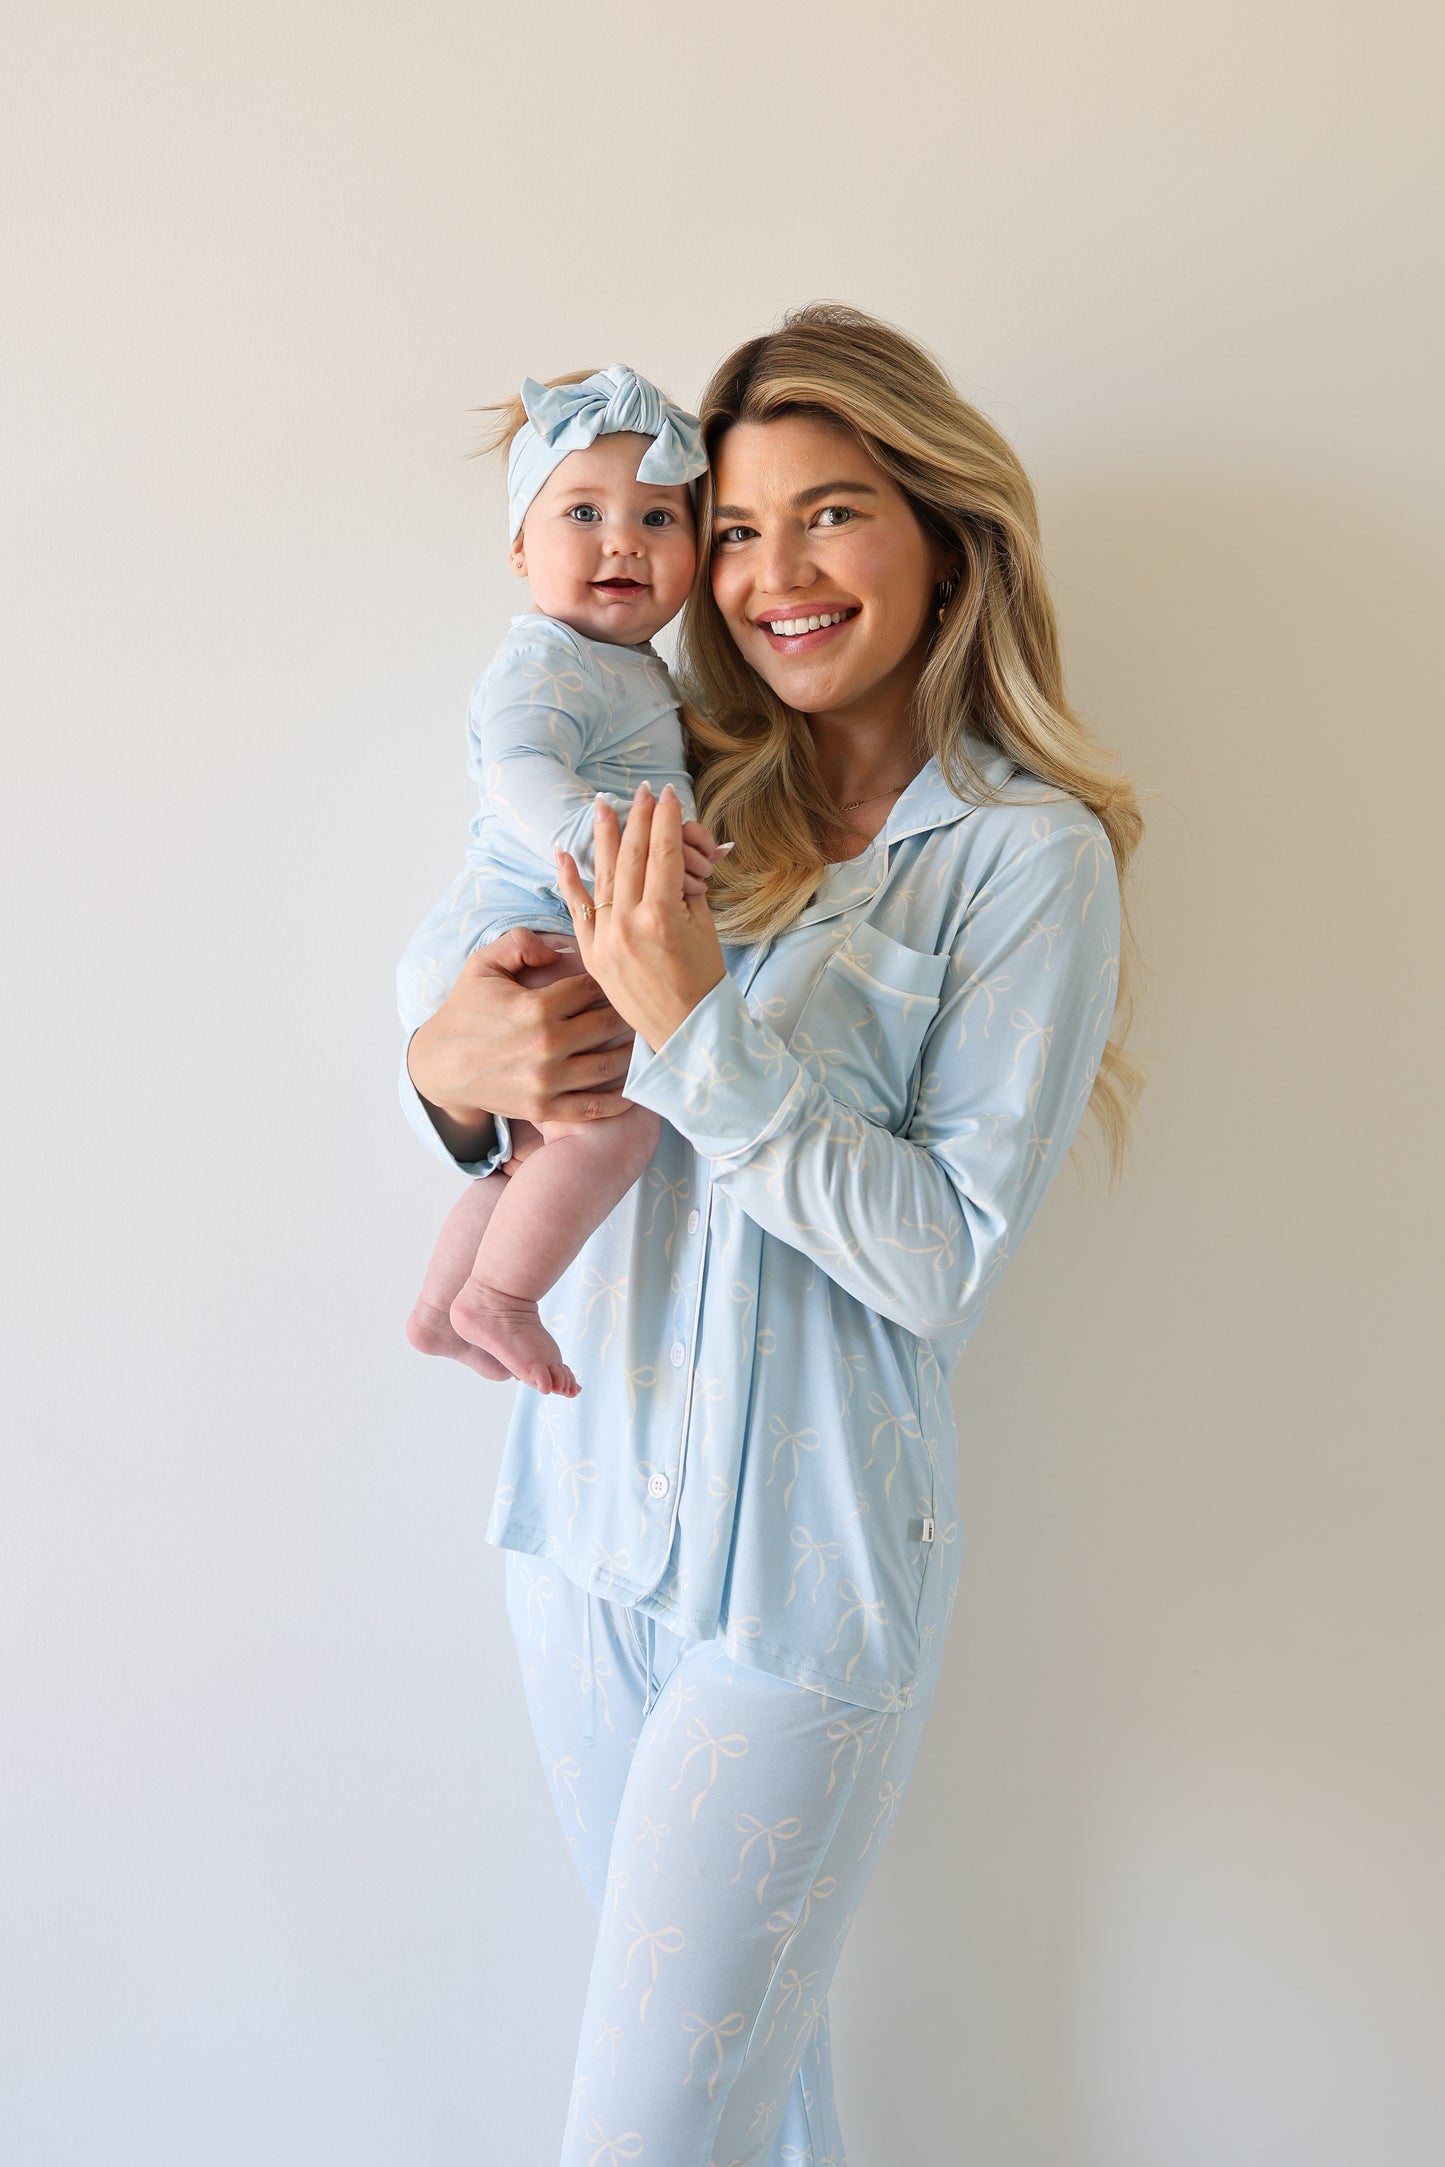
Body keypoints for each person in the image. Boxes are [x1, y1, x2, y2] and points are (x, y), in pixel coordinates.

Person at [399, 303, 1144, 2167]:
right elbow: (474, 990)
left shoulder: (1026, 860)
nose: (768, 574)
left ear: (942, 534)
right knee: (749, 2113)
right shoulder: (678, 792)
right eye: (730, 528)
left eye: (831, 514)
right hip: (579, 1528)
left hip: (804, 1590)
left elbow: (934, 1255)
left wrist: (698, 1023)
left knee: (645, 2139)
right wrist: (441, 1055)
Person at [401, 364, 729, 1396]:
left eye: (657, 517)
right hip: (519, 931)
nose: (621, 540)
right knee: (620, 1120)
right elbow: (515, 774)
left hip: (548, 931)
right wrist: (614, 849)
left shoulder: (634, 673)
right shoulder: (545, 663)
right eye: (581, 510)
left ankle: (444, 1307)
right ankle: (499, 1298)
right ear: (517, 547)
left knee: (530, 1155)